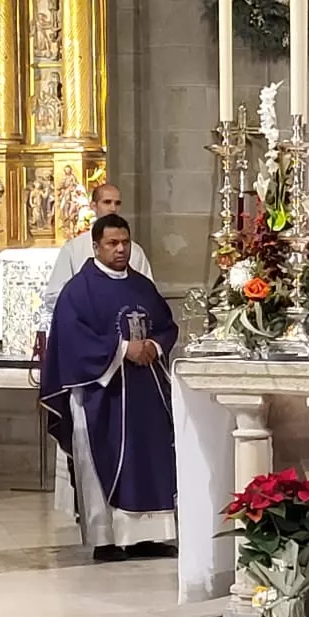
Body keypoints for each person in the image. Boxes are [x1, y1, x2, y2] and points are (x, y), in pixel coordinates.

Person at [39, 214, 179, 563]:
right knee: (99, 460)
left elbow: (166, 324)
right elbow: (72, 340)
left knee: (150, 457)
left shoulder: (141, 286)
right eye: (112, 244)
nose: (120, 250)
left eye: (125, 243)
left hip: (144, 390)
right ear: (96, 245)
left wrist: (155, 346)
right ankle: (107, 539)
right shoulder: (79, 290)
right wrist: (122, 350)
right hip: (102, 394)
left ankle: (149, 535)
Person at [42, 183, 154, 327]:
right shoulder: (73, 249)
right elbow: (54, 296)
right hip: (87, 329)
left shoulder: (135, 251)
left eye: (117, 203)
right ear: (93, 206)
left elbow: (148, 293)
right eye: (107, 202)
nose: (113, 208)